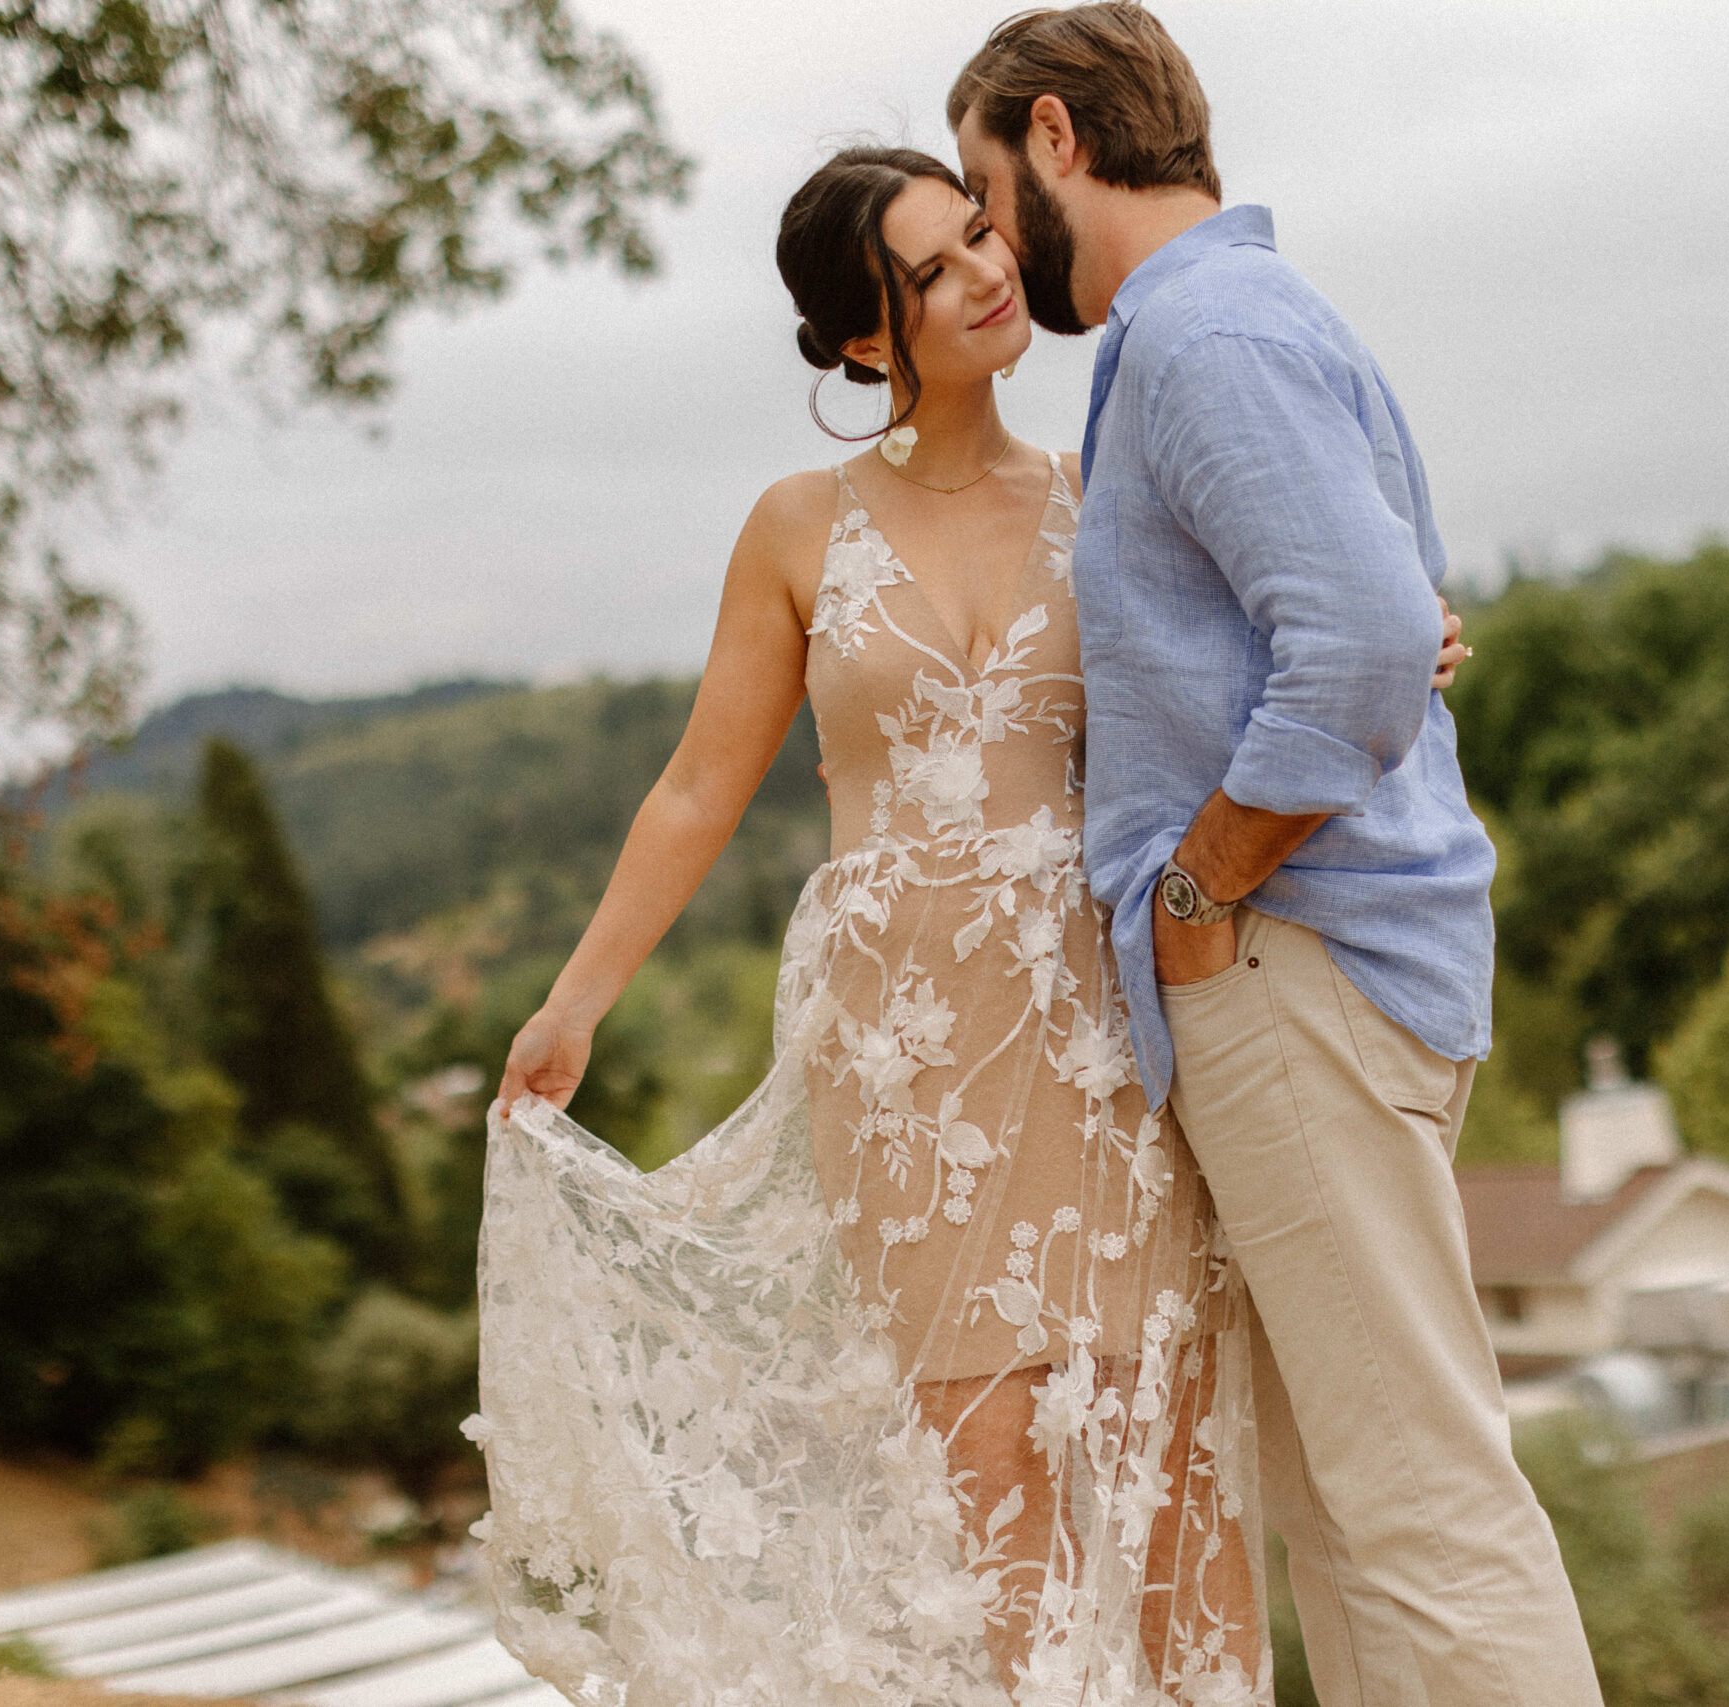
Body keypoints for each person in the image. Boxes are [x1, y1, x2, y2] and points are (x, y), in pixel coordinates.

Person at [469, 142, 1467, 1707]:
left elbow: (1274, 642)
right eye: (931, 271)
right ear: (866, 338)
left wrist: (1417, 636)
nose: (988, 275)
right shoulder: (798, 527)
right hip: (901, 1048)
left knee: (1164, 1459)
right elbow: (693, 790)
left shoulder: (1102, 495)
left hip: (1098, 1019)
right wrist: (576, 1002)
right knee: (990, 1490)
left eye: (979, 236)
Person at [947, 9, 1604, 1707]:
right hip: (1317, 965)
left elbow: (1375, 641)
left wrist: (1194, 890)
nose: (986, 227)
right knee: (1343, 1509)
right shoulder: (1239, 318)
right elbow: (1391, 616)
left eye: (979, 183)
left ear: (1055, 139)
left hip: (1289, 959)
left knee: (1419, 1507)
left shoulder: (1198, 335)